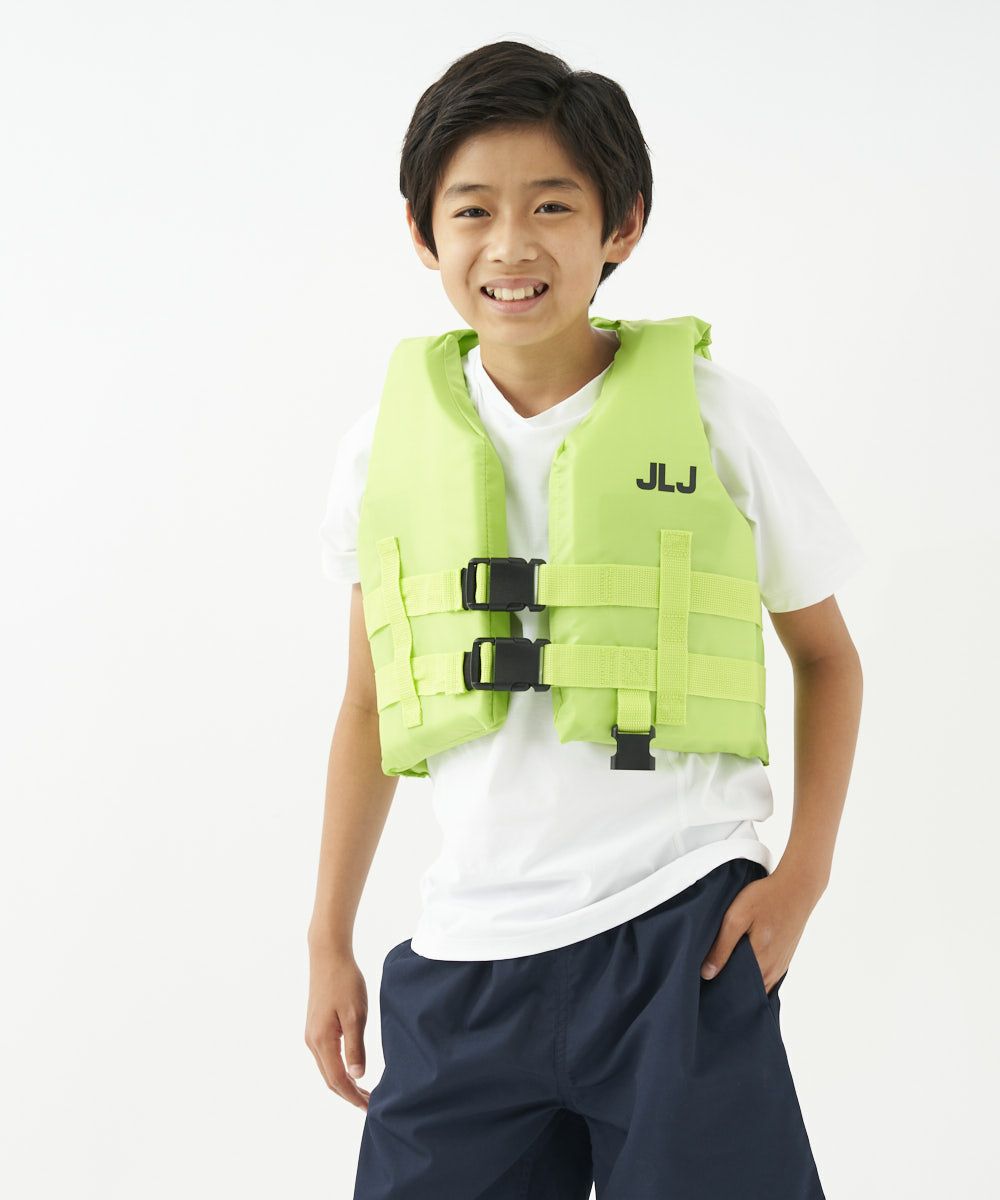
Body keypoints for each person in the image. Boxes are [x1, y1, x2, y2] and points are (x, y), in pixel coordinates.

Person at [306, 39, 865, 1200]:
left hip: (679, 935)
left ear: (623, 225)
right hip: (465, 960)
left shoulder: (715, 415)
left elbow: (825, 655)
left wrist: (801, 876)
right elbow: (366, 704)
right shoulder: (380, 448)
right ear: (423, 234)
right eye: (473, 210)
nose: (511, 245)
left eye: (552, 206)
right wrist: (327, 938)